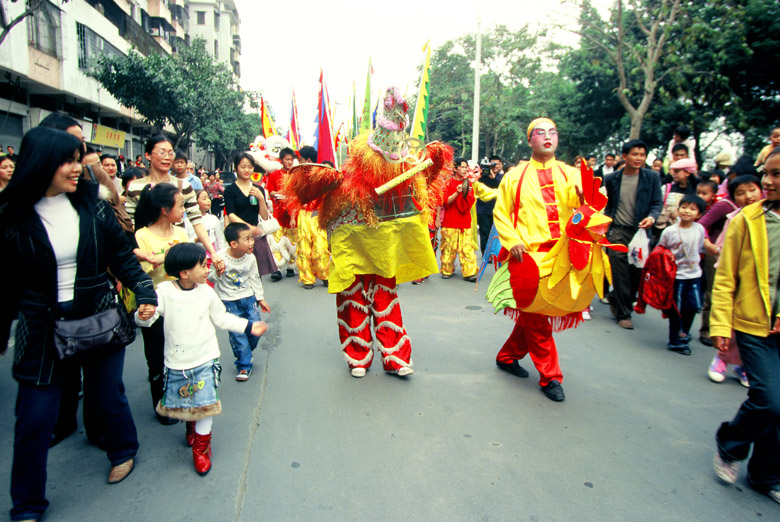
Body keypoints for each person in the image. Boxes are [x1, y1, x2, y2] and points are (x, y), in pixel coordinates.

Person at [0, 127, 157, 521]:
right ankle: (27, 504)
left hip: (99, 317)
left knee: (108, 395)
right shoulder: (11, 215)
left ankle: (123, 450)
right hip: (40, 329)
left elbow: (121, 257)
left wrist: (146, 294)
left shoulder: (93, 205)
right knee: (34, 420)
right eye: (69, 160)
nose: (78, 168)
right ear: (43, 164)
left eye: (79, 158)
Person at [283, 86, 452, 378]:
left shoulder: (403, 174)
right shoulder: (348, 180)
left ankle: (395, 357)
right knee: (352, 300)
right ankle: (358, 354)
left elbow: (418, 200)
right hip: (353, 252)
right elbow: (331, 216)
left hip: (382, 251)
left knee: (386, 298)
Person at [136, 243, 267, 475]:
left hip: (205, 359)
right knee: (187, 403)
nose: (208, 269)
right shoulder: (164, 292)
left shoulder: (207, 291)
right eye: (203, 265)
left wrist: (248, 326)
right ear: (184, 273)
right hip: (177, 362)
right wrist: (142, 314)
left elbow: (222, 319)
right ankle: (190, 424)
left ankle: (201, 448)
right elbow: (149, 318)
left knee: (205, 407)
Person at [491, 117, 583, 402]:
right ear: (530, 140)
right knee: (537, 318)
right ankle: (550, 377)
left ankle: (507, 356)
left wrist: (587, 197)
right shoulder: (514, 176)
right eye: (540, 133)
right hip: (528, 258)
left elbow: (587, 208)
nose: (547, 137)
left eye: (552, 132)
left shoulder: (571, 174)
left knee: (535, 314)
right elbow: (502, 213)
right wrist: (513, 239)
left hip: (563, 257)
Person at [710, 148, 780, 505]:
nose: (767, 181)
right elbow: (724, 279)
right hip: (754, 326)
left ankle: (766, 475)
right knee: (768, 401)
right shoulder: (745, 221)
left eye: (777, 174)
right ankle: (730, 443)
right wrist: (721, 324)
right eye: (766, 172)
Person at [134, 183, 191, 424]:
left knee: (181, 354)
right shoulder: (142, 236)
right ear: (165, 209)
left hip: (182, 305)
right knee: (156, 358)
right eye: (181, 205)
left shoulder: (181, 234)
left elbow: (188, 265)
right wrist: (166, 257)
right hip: (155, 307)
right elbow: (143, 269)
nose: (184, 210)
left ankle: (181, 398)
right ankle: (162, 405)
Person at [125, 136, 224, 273]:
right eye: (162, 152)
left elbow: (197, 221)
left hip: (176, 248)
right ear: (147, 155)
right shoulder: (136, 187)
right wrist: (139, 252)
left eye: (170, 153)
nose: (167, 157)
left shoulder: (184, 186)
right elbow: (129, 224)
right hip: (146, 250)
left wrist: (212, 252)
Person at [703, 174, 762, 383]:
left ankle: (745, 364)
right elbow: (723, 248)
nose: (748, 196)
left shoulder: (769, 217)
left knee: (754, 328)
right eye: (740, 193)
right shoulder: (735, 219)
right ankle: (722, 358)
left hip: (762, 284)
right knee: (733, 324)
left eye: (752, 190)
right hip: (737, 279)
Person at [604, 139, 663, 330]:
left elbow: (656, 203)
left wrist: (652, 218)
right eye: (635, 154)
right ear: (625, 156)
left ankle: (616, 298)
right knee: (619, 273)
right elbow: (609, 205)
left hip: (640, 232)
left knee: (637, 273)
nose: (639, 158)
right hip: (618, 232)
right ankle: (623, 313)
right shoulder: (612, 179)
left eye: (642, 155)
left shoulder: (651, 177)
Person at [209, 223, 271, 381]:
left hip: (248, 298)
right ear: (233, 244)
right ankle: (244, 365)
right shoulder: (220, 257)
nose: (252, 242)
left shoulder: (250, 258)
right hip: (228, 301)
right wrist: (217, 272)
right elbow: (210, 278)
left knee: (255, 328)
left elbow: (255, 278)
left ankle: (245, 350)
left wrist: (261, 298)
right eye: (247, 239)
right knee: (237, 335)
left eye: (252, 238)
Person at [657, 195, 707, 355]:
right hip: (675, 277)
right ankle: (676, 341)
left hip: (694, 275)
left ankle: (683, 332)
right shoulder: (669, 231)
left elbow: (700, 248)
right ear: (678, 210)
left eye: (693, 209)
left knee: (692, 306)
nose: (687, 211)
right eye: (684, 207)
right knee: (676, 310)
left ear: (699, 214)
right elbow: (660, 250)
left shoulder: (699, 229)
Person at [223, 152, 278, 278]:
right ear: (236, 168)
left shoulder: (258, 189)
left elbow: (264, 216)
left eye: (250, 167)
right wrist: (248, 228)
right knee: (239, 273)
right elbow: (231, 214)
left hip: (256, 237)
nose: (246, 170)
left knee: (256, 274)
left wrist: (261, 199)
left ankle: (257, 297)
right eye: (243, 167)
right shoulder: (230, 190)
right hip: (238, 235)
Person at [294, 145, 330, 288]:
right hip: (303, 214)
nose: (299, 162)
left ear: (308, 159)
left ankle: (325, 274)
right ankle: (307, 279)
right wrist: (292, 217)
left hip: (318, 214)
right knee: (304, 245)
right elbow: (295, 199)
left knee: (321, 245)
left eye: (300, 159)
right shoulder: (297, 176)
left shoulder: (322, 174)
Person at [440, 158, 478, 281]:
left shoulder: (469, 183)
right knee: (449, 247)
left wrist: (467, 193)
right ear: (455, 168)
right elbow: (445, 202)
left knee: (467, 248)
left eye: (466, 167)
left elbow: (470, 202)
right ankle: (447, 269)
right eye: (462, 167)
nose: (465, 169)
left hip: (464, 220)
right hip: (450, 220)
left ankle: (469, 272)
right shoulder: (447, 183)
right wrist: (457, 193)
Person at [265, 147, 297, 279]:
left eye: (291, 159)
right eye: (287, 159)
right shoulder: (274, 175)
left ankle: (290, 267)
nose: (289, 162)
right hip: (278, 212)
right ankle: (277, 268)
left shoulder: (295, 176)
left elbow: (297, 196)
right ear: (281, 160)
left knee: (292, 240)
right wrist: (279, 194)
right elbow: (270, 191)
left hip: (292, 211)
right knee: (276, 239)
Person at [476, 155, 504, 253]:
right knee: (485, 233)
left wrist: (493, 178)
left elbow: (502, 187)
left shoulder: (502, 177)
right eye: (492, 164)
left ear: (501, 165)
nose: (495, 166)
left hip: (498, 210)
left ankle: (495, 252)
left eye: (497, 164)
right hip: (483, 209)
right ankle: (486, 254)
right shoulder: (482, 176)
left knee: (497, 233)